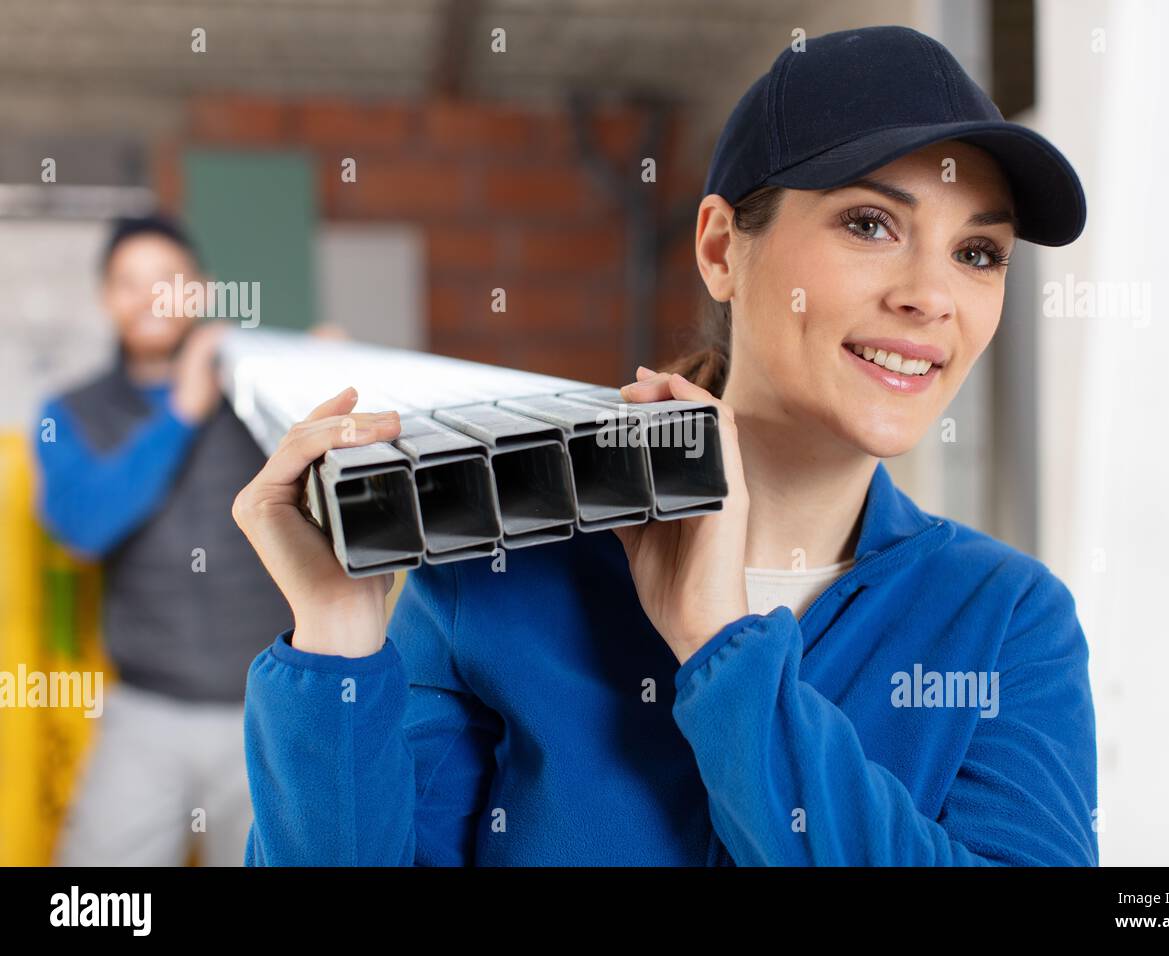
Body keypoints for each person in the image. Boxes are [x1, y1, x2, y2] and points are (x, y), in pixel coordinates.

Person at [234, 26, 1097, 866]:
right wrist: (338, 645)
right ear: (722, 248)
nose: (932, 297)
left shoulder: (1005, 621)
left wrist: (723, 647)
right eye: (870, 224)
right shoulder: (502, 573)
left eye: (979, 252)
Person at [34, 214, 291, 866]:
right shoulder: (70, 414)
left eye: (168, 281)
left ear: (201, 292)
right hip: (143, 714)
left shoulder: (267, 397)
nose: (150, 298)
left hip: (269, 713)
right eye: (129, 283)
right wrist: (183, 409)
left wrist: (330, 375)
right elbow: (81, 528)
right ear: (105, 299)